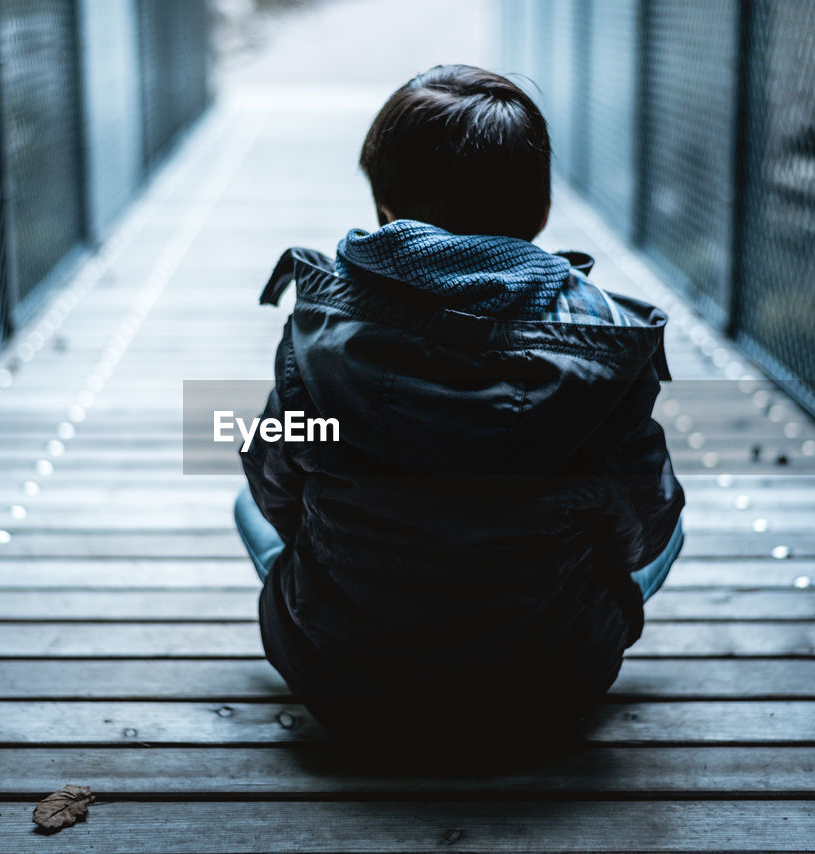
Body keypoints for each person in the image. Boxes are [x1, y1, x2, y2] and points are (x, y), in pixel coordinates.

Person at [234, 64, 684, 749]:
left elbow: (275, 491)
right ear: (539, 213)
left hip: (347, 682)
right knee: (669, 525)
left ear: (385, 208)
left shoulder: (319, 333)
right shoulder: (602, 345)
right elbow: (644, 531)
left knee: (249, 504)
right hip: (548, 685)